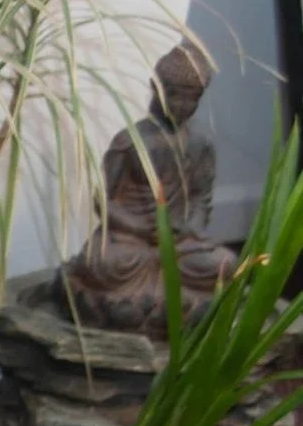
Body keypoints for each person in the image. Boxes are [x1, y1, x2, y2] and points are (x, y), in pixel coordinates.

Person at [62, 41, 234, 333]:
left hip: (181, 242)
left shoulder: (200, 145)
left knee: (226, 264)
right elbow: (102, 198)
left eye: (190, 99)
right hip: (131, 242)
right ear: (156, 89)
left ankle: (150, 304)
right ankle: (162, 306)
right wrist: (138, 228)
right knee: (101, 262)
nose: (180, 107)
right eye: (173, 96)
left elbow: (200, 198)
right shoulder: (129, 141)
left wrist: (190, 227)